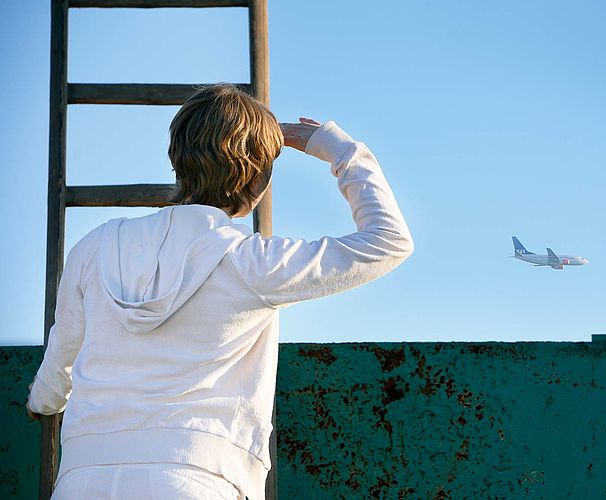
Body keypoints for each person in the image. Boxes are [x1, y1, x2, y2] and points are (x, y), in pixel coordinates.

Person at [26, 83, 414, 499]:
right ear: (259, 181)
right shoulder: (254, 262)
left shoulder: (96, 245)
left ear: (176, 158)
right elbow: (389, 241)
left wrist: (42, 403)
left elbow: (57, 370)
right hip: (200, 477)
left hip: (83, 479)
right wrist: (341, 151)